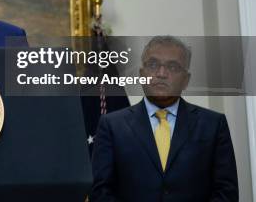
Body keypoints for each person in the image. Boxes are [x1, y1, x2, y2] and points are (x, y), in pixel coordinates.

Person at [90, 36, 238, 202]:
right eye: (153, 65)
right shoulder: (112, 125)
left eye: (173, 67)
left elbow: (226, 193)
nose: (161, 73)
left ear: (186, 80)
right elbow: (100, 192)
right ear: (141, 74)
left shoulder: (213, 125)